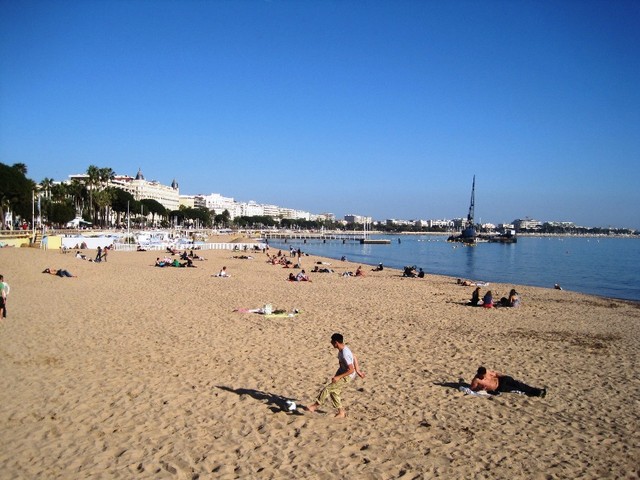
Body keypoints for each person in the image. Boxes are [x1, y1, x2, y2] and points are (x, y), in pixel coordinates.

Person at [305, 333, 366, 418]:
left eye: (332, 341)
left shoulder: (345, 353)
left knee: (327, 389)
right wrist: (358, 370)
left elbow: (351, 370)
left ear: (336, 342)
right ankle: (341, 412)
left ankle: (314, 406)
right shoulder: (343, 349)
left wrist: (338, 377)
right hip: (342, 371)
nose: (331, 342)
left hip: (346, 375)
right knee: (334, 392)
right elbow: (354, 357)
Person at [470, 366, 546, 397]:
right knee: (516, 388)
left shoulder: (487, 372)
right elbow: (472, 389)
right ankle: (537, 393)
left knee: (519, 384)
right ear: (478, 373)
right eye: (481, 376)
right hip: (499, 387)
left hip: (502, 379)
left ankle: (537, 390)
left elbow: (495, 374)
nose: (483, 377)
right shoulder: (476, 380)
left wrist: (502, 376)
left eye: (483, 375)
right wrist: (480, 389)